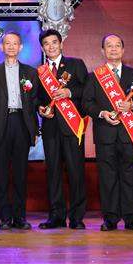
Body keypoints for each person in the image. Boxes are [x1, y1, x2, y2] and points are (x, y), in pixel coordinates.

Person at [82, 34, 133, 231]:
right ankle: (110, 218)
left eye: (117, 45)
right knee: (107, 177)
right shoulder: (94, 76)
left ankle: (131, 218)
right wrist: (102, 113)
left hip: (129, 134)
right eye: (109, 46)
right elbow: (87, 103)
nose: (113, 49)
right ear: (102, 51)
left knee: (131, 177)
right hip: (105, 134)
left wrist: (132, 106)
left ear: (123, 50)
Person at [36, 29, 88, 230]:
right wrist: (40, 109)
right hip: (50, 128)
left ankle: (76, 217)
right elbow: (37, 98)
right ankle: (56, 216)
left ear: (61, 44)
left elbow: (87, 90)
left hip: (72, 126)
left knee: (76, 172)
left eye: (54, 42)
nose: (51, 46)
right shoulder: (40, 71)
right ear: (42, 48)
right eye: (46, 44)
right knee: (54, 173)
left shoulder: (76, 64)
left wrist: (69, 92)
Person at [0, 32, 39, 230]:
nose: (11, 46)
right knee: (1, 173)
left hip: (22, 122)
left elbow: (35, 101)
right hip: (1, 123)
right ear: (1, 47)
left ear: (20, 47)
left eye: (15, 43)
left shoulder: (30, 72)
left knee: (20, 173)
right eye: (7, 43)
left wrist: (35, 129)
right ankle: (4, 217)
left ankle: (20, 217)